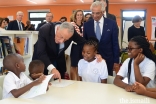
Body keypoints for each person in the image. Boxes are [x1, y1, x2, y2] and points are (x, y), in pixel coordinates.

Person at [83, 1, 119, 76]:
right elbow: (85, 42)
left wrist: (116, 61)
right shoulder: (87, 25)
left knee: (107, 80)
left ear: (103, 12)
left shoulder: (111, 24)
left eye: (97, 13)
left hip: (108, 58)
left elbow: (115, 43)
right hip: (91, 58)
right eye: (93, 13)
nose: (94, 15)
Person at [70, 9, 85, 80]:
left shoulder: (85, 25)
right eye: (78, 15)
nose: (79, 16)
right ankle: (73, 80)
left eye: (81, 15)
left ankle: (80, 81)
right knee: (74, 65)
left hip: (83, 47)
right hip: (75, 46)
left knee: (81, 65)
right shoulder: (71, 25)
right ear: (75, 16)